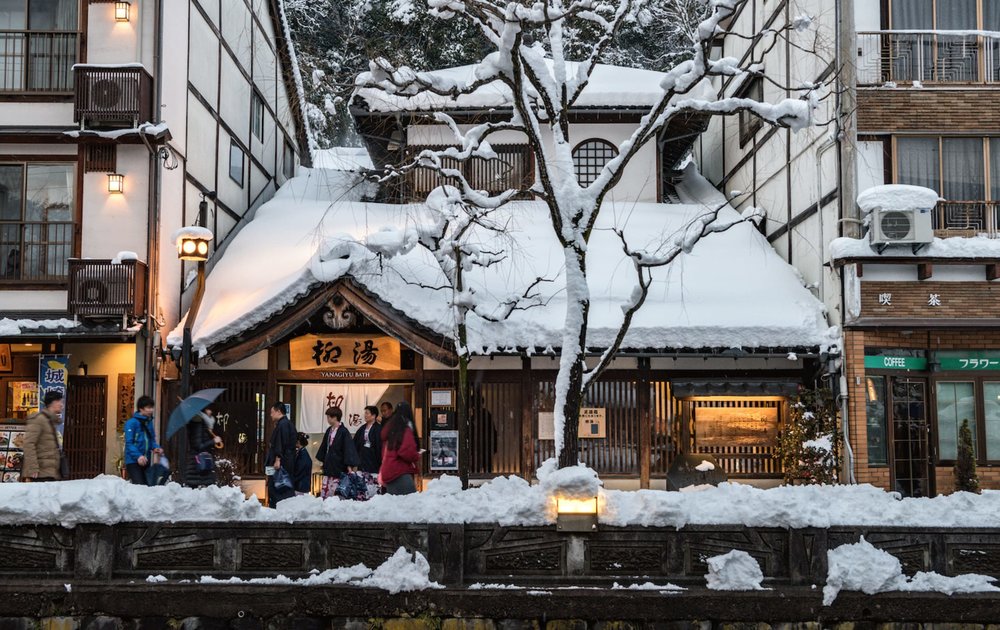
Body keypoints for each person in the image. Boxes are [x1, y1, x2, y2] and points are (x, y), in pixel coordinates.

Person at [315, 406, 359, 499]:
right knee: (327, 487)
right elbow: (324, 447)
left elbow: (348, 448)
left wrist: (349, 465)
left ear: (335, 417)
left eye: (329, 417)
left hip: (339, 464)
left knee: (336, 489)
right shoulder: (329, 430)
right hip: (330, 462)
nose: (327, 419)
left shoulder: (343, 431)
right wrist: (323, 461)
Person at [22, 391, 65, 482]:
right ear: (53, 403)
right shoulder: (39, 419)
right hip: (40, 474)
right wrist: (32, 468)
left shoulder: (50, 420)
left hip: (50, 473)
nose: (62, 405)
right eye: (60, 402)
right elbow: (28, 444)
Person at [379, 402, 420, 495]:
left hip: (388, 470)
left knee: (394, 504)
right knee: (410, 502)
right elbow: (406, 451)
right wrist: (416, 455)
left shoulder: (390, 428)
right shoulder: (405, 428)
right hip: (400, 471)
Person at [123, 396, 162, 486]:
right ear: (141, 408)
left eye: (152, 407)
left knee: (147, 487)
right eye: (148, 408)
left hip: (145, 460)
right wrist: (138, 456)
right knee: (139, 486)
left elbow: (151, 440)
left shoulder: (149, 422)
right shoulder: (131, 423)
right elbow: (129, 443)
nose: (151, 410)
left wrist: (156, 447)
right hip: (133, 461)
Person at [265, 401, 296, 507]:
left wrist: (278, 459)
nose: (271, 415)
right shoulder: (285, 424)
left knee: (279, 487)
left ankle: (278, 509)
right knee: (281, 487)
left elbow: (281, 443)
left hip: (281, 463)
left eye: (272, 412)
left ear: (278, 411)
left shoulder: (283, 424)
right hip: (285, 460)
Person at [184, 405, 222, 488]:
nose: (210, 412)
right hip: (197, 464)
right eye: (208, 410)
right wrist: (213, 441)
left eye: (211, 410)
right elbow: (198, 446)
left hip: (203, 464)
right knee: (195, 490)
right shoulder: (198, 425)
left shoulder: (206, 426)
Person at [354, 405, 382, 474]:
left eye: (367, 413)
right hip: (362, 461)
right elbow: (355, 443)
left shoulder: (379, 429)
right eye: (365, 413)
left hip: (373, 461)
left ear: (373, 415)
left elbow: (380, 446)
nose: (365, 415)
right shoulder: (362, 428)